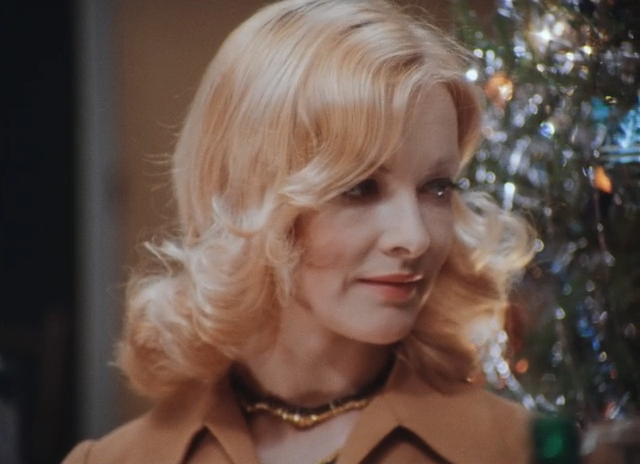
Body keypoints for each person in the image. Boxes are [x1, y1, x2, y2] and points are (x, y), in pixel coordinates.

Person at [63, 0, 538, 463]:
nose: (414, 238)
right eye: (360, 188)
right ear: (246, 196)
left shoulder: (521, 450)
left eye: (436, 187)